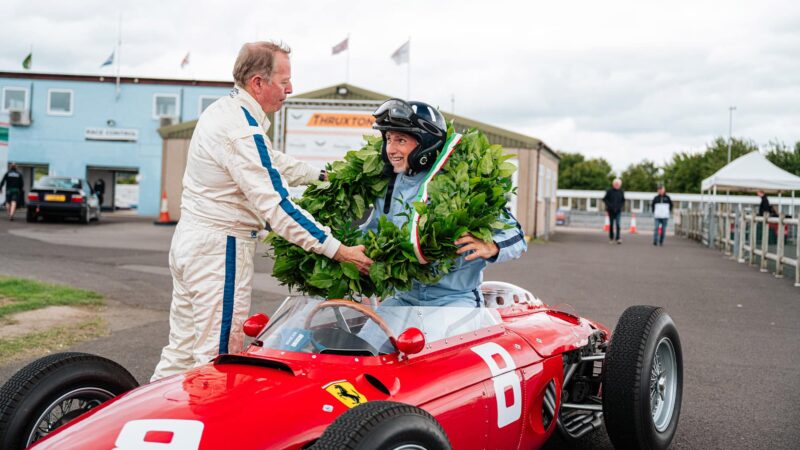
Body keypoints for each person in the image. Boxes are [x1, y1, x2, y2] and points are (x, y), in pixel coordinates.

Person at [151, 41, 373, 381]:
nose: (290, 89)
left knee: (180, 352)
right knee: (216, 357)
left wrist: (324, 177)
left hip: (192, 242)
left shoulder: (226, 112)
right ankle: (207, 415)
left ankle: (147, 410)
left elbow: (270, 161)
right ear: (258, 82)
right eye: (284, 81)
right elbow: (277, 206)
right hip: (219, 249)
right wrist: (338, 250)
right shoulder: (242, 129)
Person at [358, 99, 527, 352]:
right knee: (360, 351)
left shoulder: (465, 184)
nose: (391, 149)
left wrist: (492, 245)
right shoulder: (389, 185)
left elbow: (517, 235)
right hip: (403, 300)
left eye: (401, 140)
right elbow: (370, 234)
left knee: (430, 363)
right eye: (388, 139)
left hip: (453, 303)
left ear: (425, 143)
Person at [603, 178, 625, 244]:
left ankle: (618, 238)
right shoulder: (609, 191)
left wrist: (620, 206)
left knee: (618, 224)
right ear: (613, 184)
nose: (617, 185)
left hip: (618, 211)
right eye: (616, 184)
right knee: (611, 225)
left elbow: (623, 200)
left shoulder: (621, 191)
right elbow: (605, 199)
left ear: (620, 185)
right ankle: (611, 238)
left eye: (618, 184)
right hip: (611, 211)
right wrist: (609, 206)